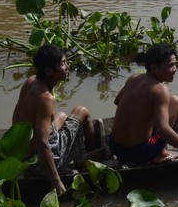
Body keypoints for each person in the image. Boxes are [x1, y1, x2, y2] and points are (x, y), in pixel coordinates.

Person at [12, 44, 108, 194]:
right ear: (49, 71)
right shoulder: (46, 98)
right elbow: (42, 141)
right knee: (82, 111)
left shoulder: (31, 81)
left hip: (20, 154)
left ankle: (86, 155)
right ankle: (89, 159)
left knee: (62, 116)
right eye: (63, 64)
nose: (67, 67)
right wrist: (56, 182)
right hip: (36, 163)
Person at [109, 44, 178, 168]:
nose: (175, 69)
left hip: (114, 146)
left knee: (171, 102)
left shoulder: (133, 78)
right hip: (139, 152)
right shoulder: (161, 90)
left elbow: (117, 101)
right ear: (154, 68)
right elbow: (163, 130)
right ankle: (160, 154)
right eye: (170, 65)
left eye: (175, 64)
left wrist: (144, 114)